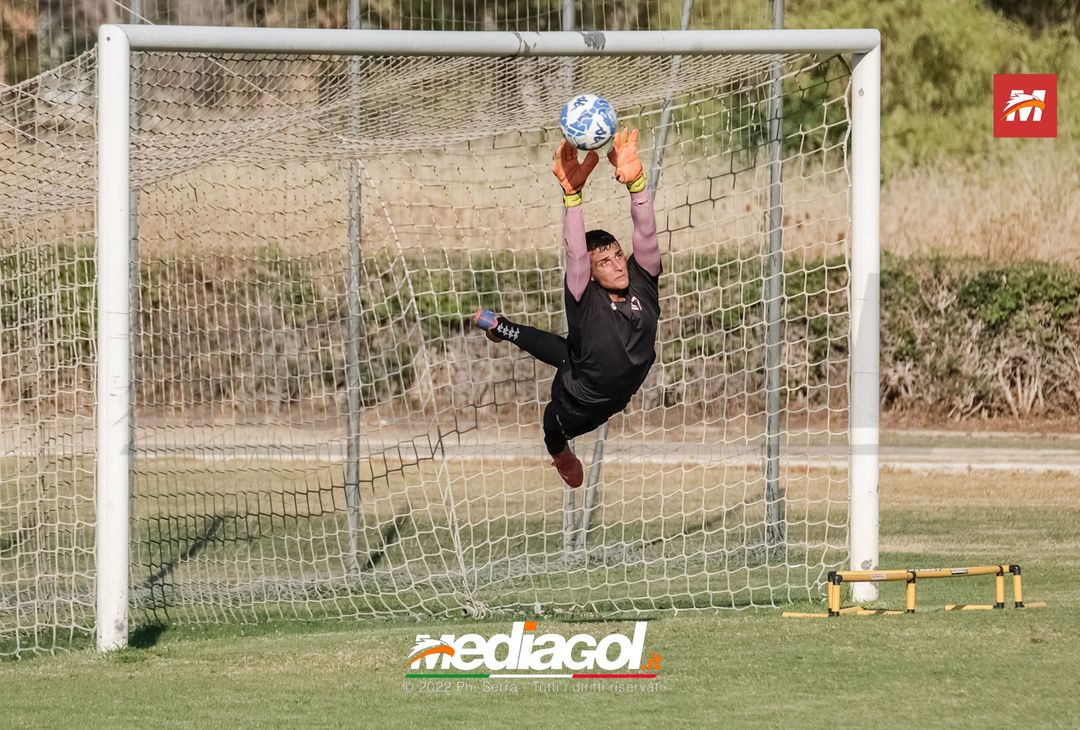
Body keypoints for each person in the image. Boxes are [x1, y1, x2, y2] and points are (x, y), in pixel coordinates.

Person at [474, 129, 662, 488]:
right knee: (553, 421)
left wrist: (637, 184)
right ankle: (560, 453)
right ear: (590, 277)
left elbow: (646, 235)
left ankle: (500, 327)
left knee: (567, 351)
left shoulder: (643, 282)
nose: (618, 265)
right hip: (580, 403)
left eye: (618, 255)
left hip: (617, 388)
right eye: (604, 262)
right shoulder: (585, 299)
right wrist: (572, 197)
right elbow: (576, 255)